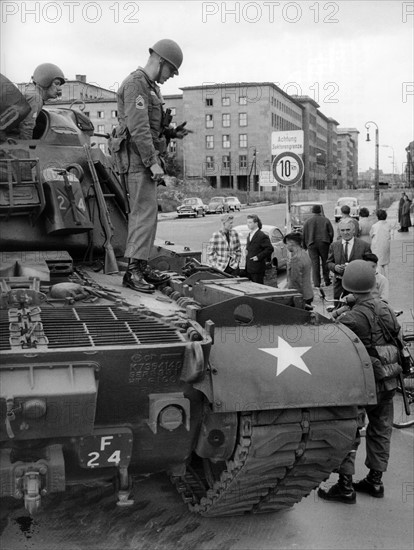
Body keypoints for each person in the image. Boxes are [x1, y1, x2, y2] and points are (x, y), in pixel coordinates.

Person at [318, 260, 402, 503]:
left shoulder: (352, 317)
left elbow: (329, 337)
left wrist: (340, 310)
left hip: (360, 384)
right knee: (382, 428)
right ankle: (375, 482)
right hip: (388, 378)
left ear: (348, 286)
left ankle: (345, 486)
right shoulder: (385, 308)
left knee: (350, 430)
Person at [116, 39, 190, 293]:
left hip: (144, 161)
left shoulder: (150, 87)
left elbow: (150, 125)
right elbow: (138, 129)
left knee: (149, 216)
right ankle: (133, 272)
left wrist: (170, 132)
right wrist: (156, 168)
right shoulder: (136, 84)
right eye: (171, 71)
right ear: (160, 61)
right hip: (138, 162)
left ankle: (141, 264)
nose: (170, 77)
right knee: (142, 215)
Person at [327, 218, 371, 302]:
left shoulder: (364, 246)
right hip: (339, 286)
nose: (345, 232)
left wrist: (355, 268)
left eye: (348, 230)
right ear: (339, 232)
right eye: (342, 230)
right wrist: (335, 267)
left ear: (353, 230)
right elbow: (329, 262)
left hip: (357, 286)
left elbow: (369, 265)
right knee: (338, 310)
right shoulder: (334, 246)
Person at [18, 63, 65, 139]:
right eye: (56, 83)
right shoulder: (36, 98)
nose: (59, 89)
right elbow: (26, 127)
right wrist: (26, 148)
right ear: (45, 81)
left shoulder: (33, 95)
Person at [301, 204, 334, 288]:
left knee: (315, 264)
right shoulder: (326, 220)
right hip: (324, 243)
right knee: (325, 262)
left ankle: (316, 283)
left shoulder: (308, 221)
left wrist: (305, 245)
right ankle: (327, 280)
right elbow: (331, 233)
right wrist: (329, 241)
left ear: (312, 211)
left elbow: (304, 234)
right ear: (320, 211)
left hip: (311, 244)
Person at [284, 232, 314, 306]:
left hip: (300, 297)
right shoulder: (305, 254)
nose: (286, 246)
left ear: (291, 243)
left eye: (286, 244)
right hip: (308, 293)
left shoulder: (295, 259)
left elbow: (295, 282)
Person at [245, 214, 274, 284]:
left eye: (250, 222)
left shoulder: (262, 235)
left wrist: (258, 257)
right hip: (249, 268)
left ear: (256, 223)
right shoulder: (249, 235)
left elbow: (269, 249)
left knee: (258, 287)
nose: (248, 224)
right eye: (247, 222)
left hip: (257, 268)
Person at [370, 209, 391, 277]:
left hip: (377, 246)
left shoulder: (375, 226)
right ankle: (387, 278)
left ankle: (380, 279)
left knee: (378, 263)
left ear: (377, 216)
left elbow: (371, 235)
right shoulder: (388, 224)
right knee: (386, 263)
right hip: (386, 246)